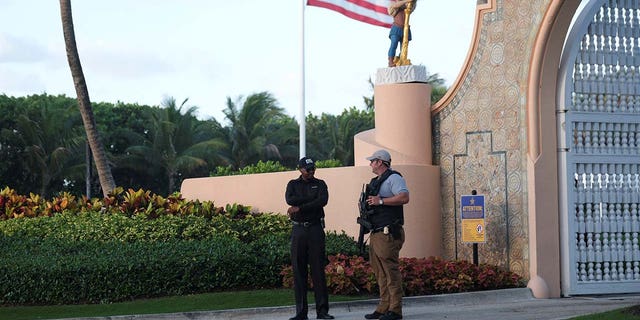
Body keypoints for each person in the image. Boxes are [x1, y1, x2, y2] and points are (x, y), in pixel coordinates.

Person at [362, 149, 410, 320]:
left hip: (388, 232)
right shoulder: (376, 181)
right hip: (376, 232)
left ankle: (395, 310)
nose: (370, 164)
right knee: (380, 272)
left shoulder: (394, 178)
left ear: (380, 162)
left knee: (391, 271)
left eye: (372, 161)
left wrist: (380, 201)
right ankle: (384, 307)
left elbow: (404, 197)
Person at [285, 157, 334, 320]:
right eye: (308, 169)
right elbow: (289, 199)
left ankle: (322, 311)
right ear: (300, 169)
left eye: (313, 168)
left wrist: (300, 207)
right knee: (299, 271)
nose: (311, 171)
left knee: (318, 270)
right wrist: (311, 200)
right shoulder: (293, 184)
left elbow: (322, 201)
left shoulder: (320, 184)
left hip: (315, 229)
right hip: (299, 230)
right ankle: (301, 313)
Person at [387, 0, 416, 67]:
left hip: (405, 28)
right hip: (396, 28)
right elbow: (395, 6)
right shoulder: (394, 4)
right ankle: (390, 61)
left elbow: (412, 6)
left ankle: (401, 59)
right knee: (394, 44)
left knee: (403, 47)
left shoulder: (408, 5)